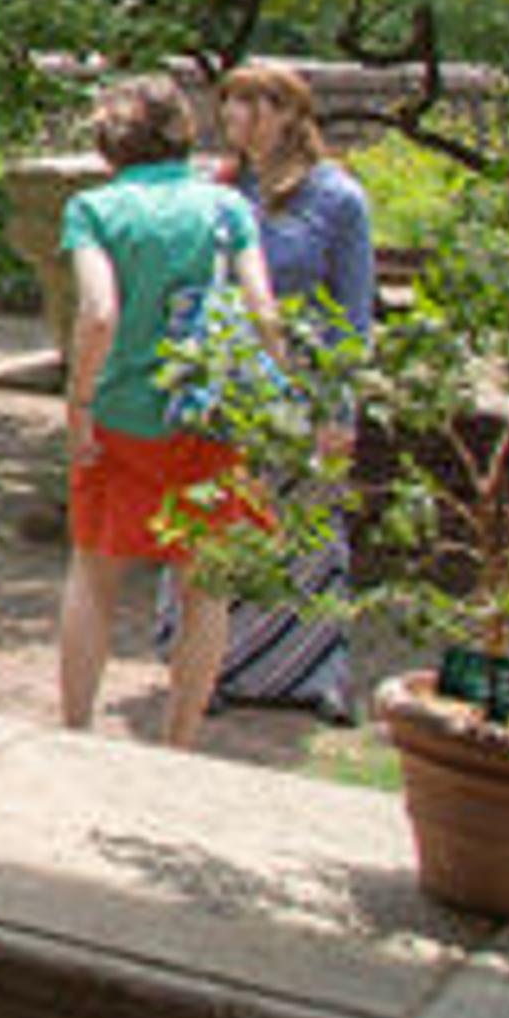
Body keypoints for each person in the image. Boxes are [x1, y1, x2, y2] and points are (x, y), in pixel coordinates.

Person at [57, 72, 277, 745]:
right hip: (206, 418)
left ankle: (75, 730)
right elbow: (264, 312)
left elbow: (99, 314)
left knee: (95, 572)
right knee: (204, 588)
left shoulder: (94, 210)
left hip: (121, 415)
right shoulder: (227, 208)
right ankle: (178, 742)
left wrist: (79, 402)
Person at [170, 63, 372, 721]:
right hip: (225, 377)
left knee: (310, 525)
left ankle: (317, 673)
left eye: (258, 103)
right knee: (221, 519)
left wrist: (340, 405)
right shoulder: (219, 189)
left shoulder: (337, 198)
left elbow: (355, 308)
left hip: (302, 376)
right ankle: (213, 664)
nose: (240, 116)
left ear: (291, 113)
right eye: (231, 103)